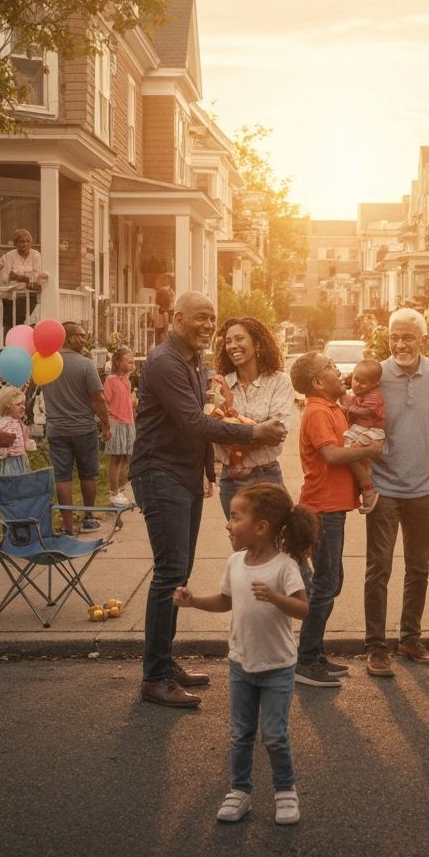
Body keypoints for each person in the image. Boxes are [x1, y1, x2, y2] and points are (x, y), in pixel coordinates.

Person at [130, 291, 287, 709]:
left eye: (211, 318)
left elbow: (208, 417)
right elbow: (195, 422)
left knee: (179, 571)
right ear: (176, 318)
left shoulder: (193, 363)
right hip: (158, 472)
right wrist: (255, 433)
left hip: (181, 476)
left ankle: (164, 662)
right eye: (199, 317)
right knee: (169, 573)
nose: (206, 325)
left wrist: (205, 473)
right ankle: (155, 677)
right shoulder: (164, 362)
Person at [173, 484, 316, 825]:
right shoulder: (235, 562)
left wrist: (275, 597)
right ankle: (240, 792)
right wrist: (193, 601)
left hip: (278, 665)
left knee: (275, 735)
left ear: (261, 526)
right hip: (240, 662)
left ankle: (285, 791)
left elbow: (303, 609)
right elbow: (226, 601)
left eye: (235, 517)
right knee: (240, 733)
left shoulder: (285, 567)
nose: (227, 524)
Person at [363, 308, 429, 677]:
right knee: (378, 569)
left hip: (423, 487)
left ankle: (410, 638)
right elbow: (352, 418)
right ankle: (376, 647)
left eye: (407, 338)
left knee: (418, 568)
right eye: (393, 338)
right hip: (384, 487)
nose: (400, 344)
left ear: (423, 341)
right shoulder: (376, 375)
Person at [291, 352, 383, 687]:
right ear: (317, 382)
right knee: (326, 586)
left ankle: (313, 654)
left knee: (330, 583)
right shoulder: (317, 412)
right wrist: (369, 451)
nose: (338, 370)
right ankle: (306, 660)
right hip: (322, 510)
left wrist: (365, 484)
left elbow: (345, 450)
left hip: (333, 510)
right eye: (330, 367)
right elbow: (332, 455)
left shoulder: (333, 409)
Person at [211, 317, 295, 519]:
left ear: (257, 343)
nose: (233, 346)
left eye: (239, 339)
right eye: (228, 341)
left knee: (276, 544)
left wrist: (232, 429)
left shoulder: (279, 381)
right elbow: (212, 430)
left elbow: (278, 431)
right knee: (242, 546)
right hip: (231, 482)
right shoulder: (219, 385)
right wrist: (258, 431)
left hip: (267, 478)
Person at [41, 322, 112, 535]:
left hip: (57, 429)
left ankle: (68, 525)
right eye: (79, 336)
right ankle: (88, 518)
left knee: (62, 477)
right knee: (88, 474)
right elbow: (98, 398)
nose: (83, 340)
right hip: (83, 428)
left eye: (84, 335)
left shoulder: (46, 364)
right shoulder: (85, 364)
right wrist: (106, 424)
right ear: (67, 338)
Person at [0, 229, 48, 335]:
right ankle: (8, 344)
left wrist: (18, 277)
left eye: (27, 241)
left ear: (30, 243)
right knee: (8, 321)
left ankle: (19, 342)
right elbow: (5, 275)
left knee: (20, 319)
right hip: (10, 293)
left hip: (27, 294)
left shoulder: (35, 255)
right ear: (16, 243)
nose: (24, 244)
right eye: (21, 241)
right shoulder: (10, 255)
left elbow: (35, 275)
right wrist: (24, 277)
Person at [341, 358, 385, 514]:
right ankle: (364, 482)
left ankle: (366, 486)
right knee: (352, 454)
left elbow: (366, 411)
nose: (358, 384)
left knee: (347, 452)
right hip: (362, 430)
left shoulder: (374, 396)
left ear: (374, 385)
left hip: (372, 432)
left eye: (363, 382)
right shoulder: (358, 394)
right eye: (356, 379)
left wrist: (349, 409)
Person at [103, 347, 137, 505]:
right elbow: (106, 402)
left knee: (125, 457)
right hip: (116, 422)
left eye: (132, 360)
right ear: (117, 362)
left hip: (128, 421)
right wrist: (108, 424)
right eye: (127, 360)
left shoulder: (127, 381)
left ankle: (121, 490)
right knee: (116, 458)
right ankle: (113, 492)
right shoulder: (111, 380)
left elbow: (125, 401)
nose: (131, 362)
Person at [0, 385, 37, 475]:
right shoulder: (5, 423)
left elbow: (25, 439)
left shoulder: (19, 423)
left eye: (23, 404)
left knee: (22, 477)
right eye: (18, 404)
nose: (23, 407)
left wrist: (27, 441)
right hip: (11, 459)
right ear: (8, 407)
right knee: (13, 479)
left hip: (21, 457)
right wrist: (6, 440)